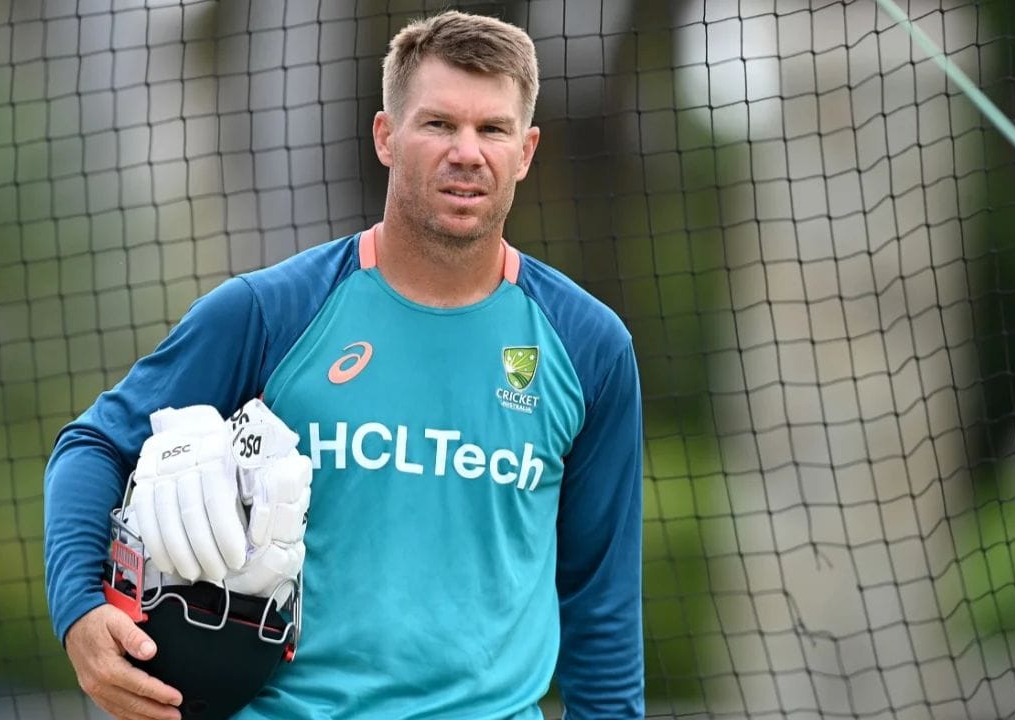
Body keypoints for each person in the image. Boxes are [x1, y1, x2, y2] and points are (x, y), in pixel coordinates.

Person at [44, 9, 644, 719]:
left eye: (493, 129)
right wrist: (80, 612)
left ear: (526, 151)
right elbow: (93, 445)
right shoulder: (270, 312)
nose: (467, 152)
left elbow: (601, 605)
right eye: (438, 124)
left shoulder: (589, 345)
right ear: (386, 136)